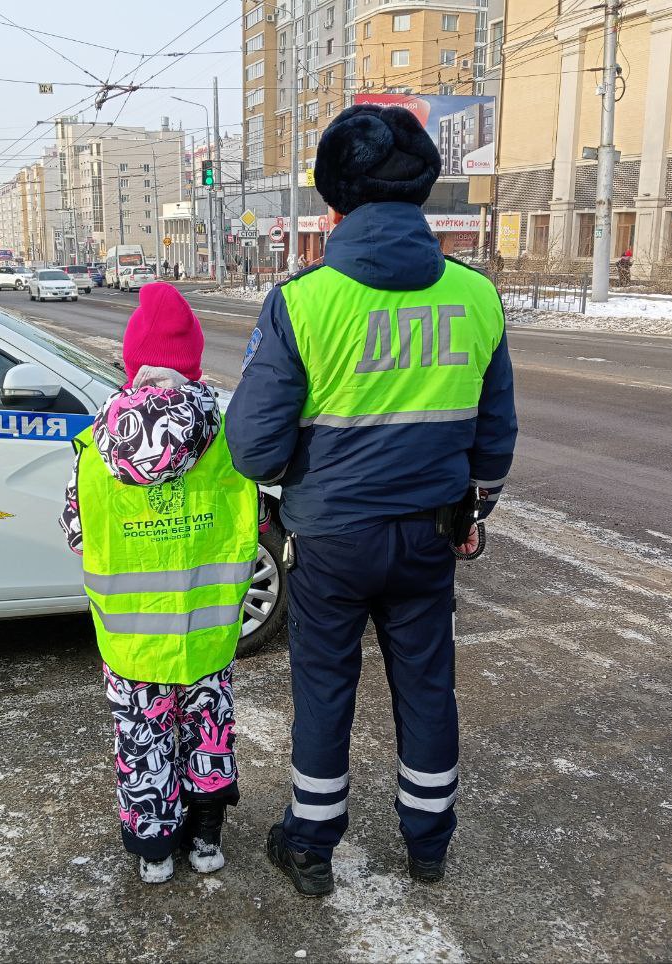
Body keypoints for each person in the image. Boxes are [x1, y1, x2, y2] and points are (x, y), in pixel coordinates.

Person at [227, 104, 517, 896]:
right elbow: (495, 435)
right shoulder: (476, 297)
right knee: (427, 687)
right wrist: (474, 509)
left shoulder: (303, 303)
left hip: (329, 541)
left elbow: (251, 446)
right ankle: (429, 845)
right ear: (422, 193)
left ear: (335, 203)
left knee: (325, 690)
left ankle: (311, 847)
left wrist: (303, 475)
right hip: (430, 536)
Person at [59, 282, 259, 885]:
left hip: (130, 642)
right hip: (208, 635)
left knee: (144, 741)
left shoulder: (96, 449)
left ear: (131, 362)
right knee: (207, 733)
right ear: (193, 363)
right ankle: (206, 843)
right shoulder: (226, 440)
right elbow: (249, 525)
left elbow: (77, 533)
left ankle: (153, 853)